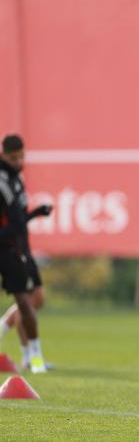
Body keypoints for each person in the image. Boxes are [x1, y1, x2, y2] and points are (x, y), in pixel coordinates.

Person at [0, 134, 51, 373]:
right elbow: (11, 222)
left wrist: (36, 213)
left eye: (21, 156)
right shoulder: (2, 181)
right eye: (13, 157)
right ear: (3, 154)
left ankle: (31, 357)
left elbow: (19, 218)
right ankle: (35, 359)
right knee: (24, 300)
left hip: (21, 246)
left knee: (34, 298)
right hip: (9, 248)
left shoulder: (16, 178)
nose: (18, 160)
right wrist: (14, 229)